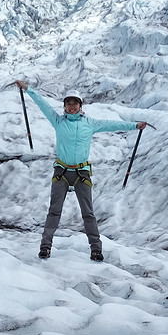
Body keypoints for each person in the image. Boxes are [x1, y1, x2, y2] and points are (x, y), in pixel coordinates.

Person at [16, 80, 146, 260]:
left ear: (80, 105)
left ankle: (96, 249)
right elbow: (43, 104)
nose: (71, 106)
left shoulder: (90, 123)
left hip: (81, 172)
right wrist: (28, 89)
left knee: (88, 213)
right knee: (54, 211)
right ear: (64, 106)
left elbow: (111, 124)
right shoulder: (58, 121)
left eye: (75, 103)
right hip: (61, 171)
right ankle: (45, 247)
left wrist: (135, 125)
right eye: (68, 103)